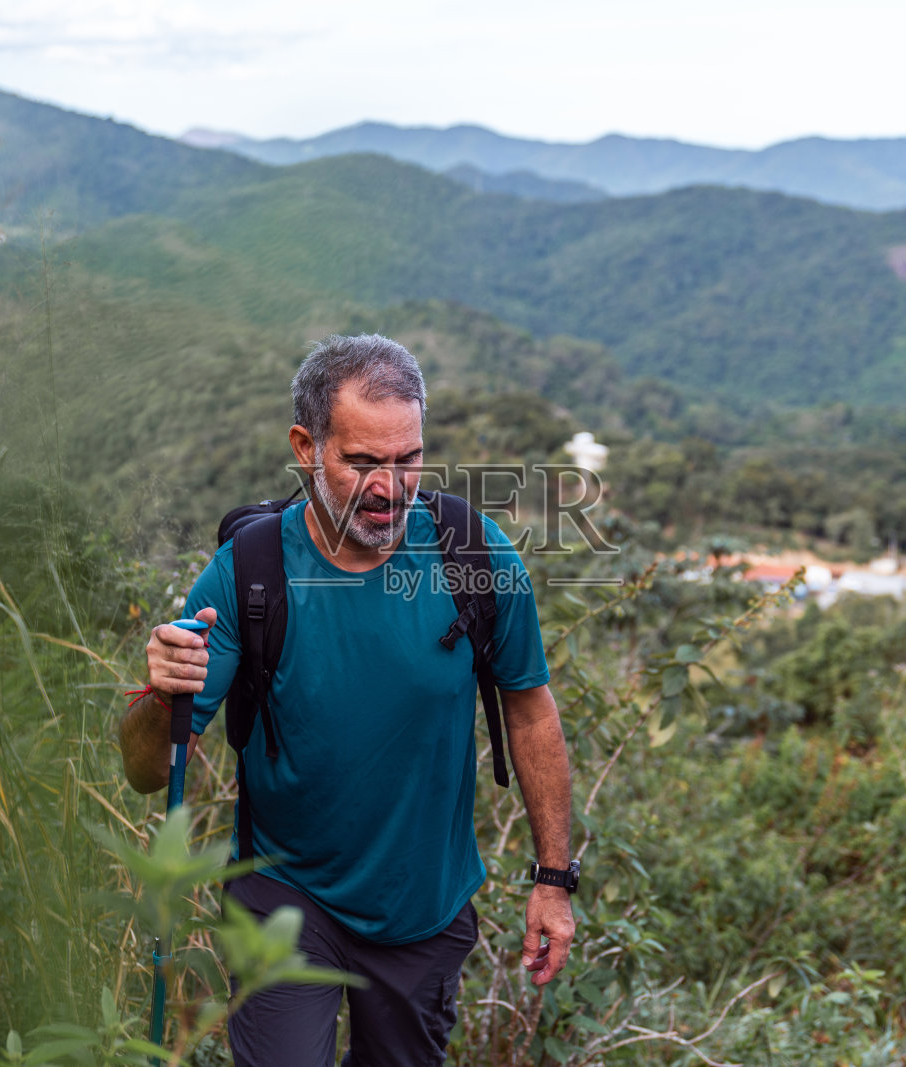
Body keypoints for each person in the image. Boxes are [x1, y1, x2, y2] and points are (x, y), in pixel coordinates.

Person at [118, 334, 576, 1066]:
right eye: (362, 461)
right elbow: (147, 768)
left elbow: (530, 710)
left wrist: (554, 879)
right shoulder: (251, 574)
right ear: (306, 446)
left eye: (408, 459)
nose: (390, 487)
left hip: (422, 911)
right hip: (284, 899)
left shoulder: (475, 557)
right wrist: (159, 692)